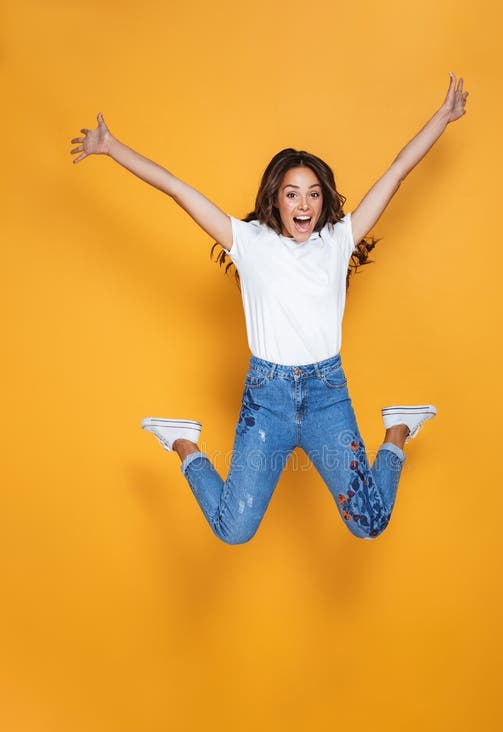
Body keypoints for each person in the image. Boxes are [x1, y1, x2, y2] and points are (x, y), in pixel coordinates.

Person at [70, 73, 469, 544]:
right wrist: (112, 147)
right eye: (293, 193)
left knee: (370, 523)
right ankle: (182, 441)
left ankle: (397, 429)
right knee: (233, 530)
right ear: (276, 198)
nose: (305, 204)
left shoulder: (338, 240)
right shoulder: (248, 241)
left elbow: (397, 172)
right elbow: (177, 189)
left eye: (314, 193)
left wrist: (443, 117)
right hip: (268, 401)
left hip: (327, 396)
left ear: (324, 201)